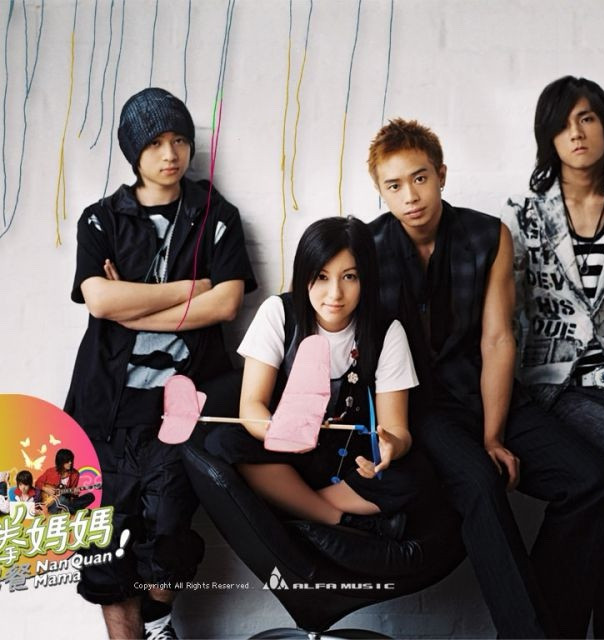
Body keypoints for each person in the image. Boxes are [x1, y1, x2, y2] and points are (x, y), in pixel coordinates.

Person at [366, 117, 604, 638]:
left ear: (441, 174)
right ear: (381, 192)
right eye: (393, 186)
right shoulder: (367, 248)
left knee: (593, 482)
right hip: (420, 407)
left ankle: (549, 629)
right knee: (481, 484)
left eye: (420, 178)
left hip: (486, 391)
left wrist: (493, 435)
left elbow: (498, 340)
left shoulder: (488, 235)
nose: (410, 196)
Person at [64, 87, 256, 640]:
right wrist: (191, 288)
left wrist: (134, 305)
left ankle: (160, 621)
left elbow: (226, 303)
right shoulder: (101, 219)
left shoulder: (216, 215)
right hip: (105, 410)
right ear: (134, 152)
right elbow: (99, 300)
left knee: (169, 534)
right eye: (154, 143)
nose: (170, 154)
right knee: (104, 548)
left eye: (179, 140)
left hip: (183, 410)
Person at [502, 75, 604, 638]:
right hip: (561, 383)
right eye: (562, 125)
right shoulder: (525, 216)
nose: (577, 133)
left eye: (586, 118)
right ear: (548, 139)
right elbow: (507, 316)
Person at [205, 216, 427, 538]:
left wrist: (391, 447)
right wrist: (282, 433)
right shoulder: (279, 313)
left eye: (349, 276)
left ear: (366, 278)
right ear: (304, 274)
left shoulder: (386, 331)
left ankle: (292, 506)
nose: (335, 293)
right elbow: (251, 406)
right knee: (225, 441)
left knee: (417, 474)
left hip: (349, 458)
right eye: (321, 276)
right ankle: (339, 519)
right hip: (286, 453)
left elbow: (397, 429)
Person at [35, 448, 95, 514]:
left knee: (90, 496)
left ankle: (70, 510)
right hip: (51, 503)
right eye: (67, 461)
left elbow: (72, 494)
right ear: (61, 461)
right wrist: (46, 489)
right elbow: (37, 483)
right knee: (62, 499)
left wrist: (74, 493)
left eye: (71, 460)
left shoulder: (75, 474)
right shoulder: (50, 471)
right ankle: (77, 511)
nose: (70, 463)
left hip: (67, 502)